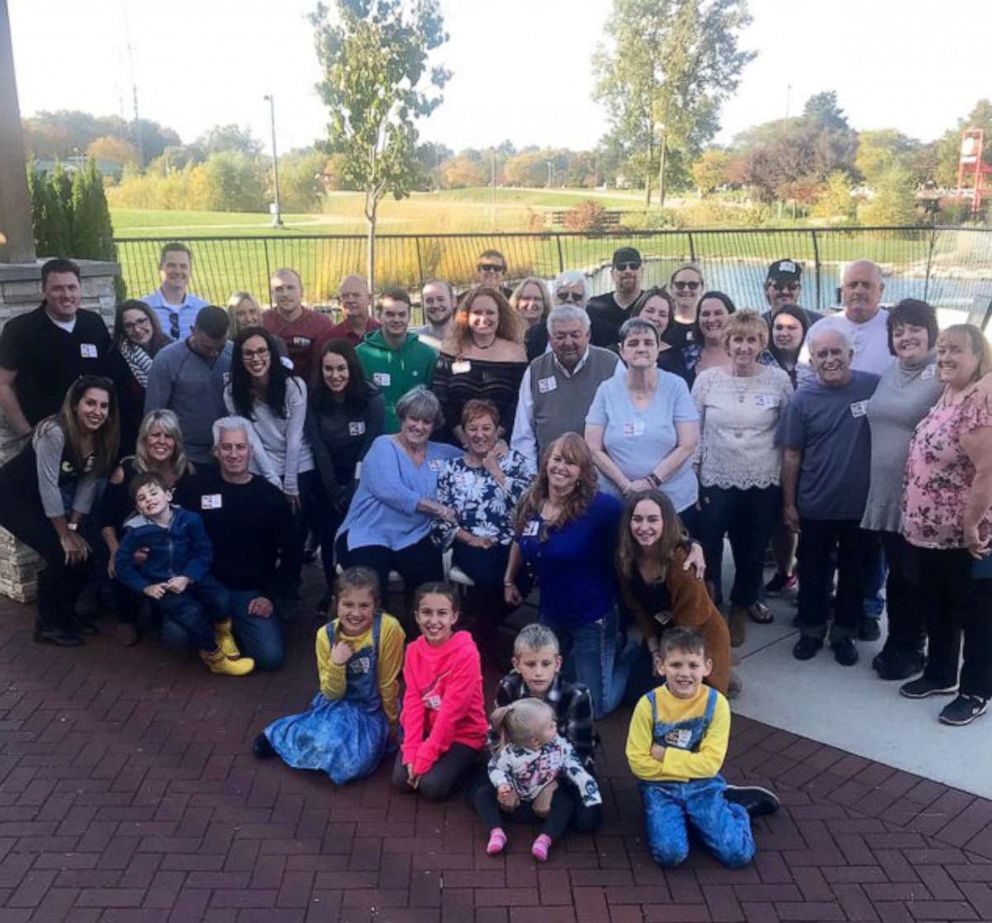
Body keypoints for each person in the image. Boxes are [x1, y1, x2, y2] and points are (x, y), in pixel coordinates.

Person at [504, 433, 636, 719]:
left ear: (582, 473)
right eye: (557, 459)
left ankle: (627, 656)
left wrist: (690, 545)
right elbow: (519, 537)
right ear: (546, 462)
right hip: (551, 613)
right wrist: (509, 579)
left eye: (571, 463)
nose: (561, 467)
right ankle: (592, 660)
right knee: (544, 691)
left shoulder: (601, 508)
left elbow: (644, 523)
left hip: (592, 617)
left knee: (594, 709)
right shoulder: (533, 499)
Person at [900, 325, 992, 726]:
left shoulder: (979, 401)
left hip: (965, 537)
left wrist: (972, 523)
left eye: (956, 350)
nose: (946, 357)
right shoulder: (951, 392)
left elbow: (988, 469)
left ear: (978, 356)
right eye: (942, 350)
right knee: (937, 606)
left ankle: (976, 691)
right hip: (930, 533)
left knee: (976, 615)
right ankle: (940, 673)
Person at [625, 628, 769, 870]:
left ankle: (736, 809)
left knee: (738, 855)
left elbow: (711, 764)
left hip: (702, 785)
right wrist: (691, 764)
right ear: (661, 666)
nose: (685, 673)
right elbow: (638, 764)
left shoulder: (717, 705)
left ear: (707, 667)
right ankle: (696, 817)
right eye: (676, 665)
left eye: (693, 665)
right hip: (660, 788)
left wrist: (663, 754)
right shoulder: (648, 705)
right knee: (670, 855)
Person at [776, 325, 878, 666]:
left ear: (850, 354)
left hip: (860, 506)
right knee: (813, 570)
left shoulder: (873, 387)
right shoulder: (802, 399)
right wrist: (789, 503)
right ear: (813, 360)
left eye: (837, 352)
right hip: (815, 503)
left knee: (854, 573)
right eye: (822, 354)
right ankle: (811, 629)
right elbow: (791, 455)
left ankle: (844, 633)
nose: (830, 359)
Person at [692, 310, 793, 644]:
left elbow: (788, 433)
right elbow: (695, 430)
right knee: (708, 547)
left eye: (752, 340)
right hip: (716, 477)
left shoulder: (778, 381)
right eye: (738, 339)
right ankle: (709, 605)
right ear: (727, 342)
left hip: (762, 479)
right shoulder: (707, 380)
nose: (744, 347)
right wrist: (695, 473)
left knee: (750, 550)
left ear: (762, 343)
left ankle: (740, 606)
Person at [253, 566, 405, 781]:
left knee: (353, 766)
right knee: (326, 741)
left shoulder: (389, 629)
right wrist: (336, 663)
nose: (356, 613)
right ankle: (278, 734)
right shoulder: (326, 635)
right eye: (348, 605)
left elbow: (388, 682)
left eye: (364, 605)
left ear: (376, 605)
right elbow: (331, 692)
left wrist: (391, 727)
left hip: (373, 708)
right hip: (339, 704)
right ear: (337, 602)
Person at [0, 376, 119, 646]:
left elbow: (87, 483)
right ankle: (48, 625)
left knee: (83, 554)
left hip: (39, 500)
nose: (97, 412)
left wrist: (75, 527)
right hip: (12, 497)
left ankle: (66, 614)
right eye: (90, 403)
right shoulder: (53, 432)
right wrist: (65, 535)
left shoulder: (101, 437)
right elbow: (49, 487)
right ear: (75, 404)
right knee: (59, 551)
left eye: (103, 406)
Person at [173, 417, 294, 671]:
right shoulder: (196, 489)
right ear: (216, 452)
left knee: (270, 658)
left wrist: (271, 596)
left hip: (249, 593)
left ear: (251, 450)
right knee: (175, 638)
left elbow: (292, 552)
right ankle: (220, 630)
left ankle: (231, 631)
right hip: (204, 588)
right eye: (227, 447)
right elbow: (173, 531)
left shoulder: (269, 496)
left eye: (240, 447)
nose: (234, 454)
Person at [862, 300, 942, 681]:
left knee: (916, 577)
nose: (906, 337)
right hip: (884, 494)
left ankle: (914, 648)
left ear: (931, 332)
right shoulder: (892, 370)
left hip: (920, 499)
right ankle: (898, 641)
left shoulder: (942, 373)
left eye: (914, 328)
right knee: (897, 574)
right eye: (898, 331)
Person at [114, 472, 254, 676]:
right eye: (142, 498)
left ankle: (223, 633)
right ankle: (214, 656)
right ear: (138, 508)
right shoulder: (136, 532)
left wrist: (188, 576)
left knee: (220, 596)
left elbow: (203, 552)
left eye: (153, 493)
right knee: (191, 614)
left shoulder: (190, 519)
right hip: (163, 585)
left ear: (169, 496)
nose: (149, 500)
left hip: (191, 574)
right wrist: (146, 587)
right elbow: (122, 565)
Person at [335, 388, 461, 600]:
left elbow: (473, 459)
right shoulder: (383, 445)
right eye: (414, 419)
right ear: (402, 417)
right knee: (369, 585)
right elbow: (392, 491)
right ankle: (376, 632)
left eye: (426, 421)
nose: (419, 427)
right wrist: (438, 509)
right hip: (368, 532)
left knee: (430, 589)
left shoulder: (443, 452)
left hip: (414, 534)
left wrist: (497, 448)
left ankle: (422, 631)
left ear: (434, 425)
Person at [432, 400, 534, 663]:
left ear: (498, 430)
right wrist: (472, 539)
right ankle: (484, 642)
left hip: (512, 542)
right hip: (470, 541)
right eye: (472, 428)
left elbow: (530, 502)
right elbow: (442, 517)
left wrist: (496, 472)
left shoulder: (514, 462)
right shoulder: (451, 469)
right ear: (464, 433)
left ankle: (476, 634)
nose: (479, 434)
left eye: (486, 428)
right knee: (490, 577)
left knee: (524, 577)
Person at [224, 326, 316, 598]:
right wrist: (273, 481)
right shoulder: (232, 392)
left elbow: (295, 437)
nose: (256, 358)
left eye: (262, 351)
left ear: (272, 354)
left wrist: (289, 484)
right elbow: (250, 439)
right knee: (260, 528)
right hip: (261, 464)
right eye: (248, 353)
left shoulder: (293, 385)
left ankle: (289, 588)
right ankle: (263, 589)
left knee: (294, 531)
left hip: (298, 464)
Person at [585, 318, 700, 530]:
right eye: (633, 343)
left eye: (648, 343)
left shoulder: (676, 386)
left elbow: (688, 444)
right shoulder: (606, 390)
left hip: (673, 502)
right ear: (622, 350)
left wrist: (651, 482)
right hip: (618, 500)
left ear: (658, 348)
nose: (641, 348)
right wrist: (626, 486)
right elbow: (593, 447)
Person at [617, 490, 732, 696]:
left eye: (653, 520)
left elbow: (690, 625)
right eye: (637, 519)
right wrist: (654, 651)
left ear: (666, 523)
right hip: (662, 633)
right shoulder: (626, 558)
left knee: (687, 697)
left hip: (697, 636)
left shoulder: (682, 561)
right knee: (635, 694)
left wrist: (667, 660)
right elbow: (639, 611)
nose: (644, 527)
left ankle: (720, 671)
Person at [491, 624, 602, 832]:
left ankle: (546, 806)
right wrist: (507, 783)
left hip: (562, 766)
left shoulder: (577, 696)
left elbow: (581, 751)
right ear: (516, 664)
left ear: (558, 663)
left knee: (588, 822)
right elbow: (495, 739)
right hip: (519, 765)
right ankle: (546, 811)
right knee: (480, 794)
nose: (538, 672)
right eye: (530, 664)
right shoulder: (508, 687)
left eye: (546, 663)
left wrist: (549, 785)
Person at [100, 409, 197, 646]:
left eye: (168, 436)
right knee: (125, 561)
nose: (161, 442)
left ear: (176, 441)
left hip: (172, 548)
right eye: (155, 435)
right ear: (144, 439)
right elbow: (106, 519)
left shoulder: (187, 472)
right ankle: (127, 618)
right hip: (132, 544)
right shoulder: (127, 470)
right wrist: (116, 551)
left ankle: (160, 609)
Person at [392, 583, 488, 801]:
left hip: (462, 733)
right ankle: (428, 761)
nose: (433, 621)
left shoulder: (466, 654)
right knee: (400, 780)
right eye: (426, 612)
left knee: (431, 787)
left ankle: (473, 761)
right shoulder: (413, 651)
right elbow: (413, 704)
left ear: (454, 617)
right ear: (416, 615)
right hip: (430, 727)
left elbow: (452, 713)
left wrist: (424, 759)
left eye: (442, 613)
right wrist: (412, 752)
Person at [474, 697, 600, 862]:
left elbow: (572, 764)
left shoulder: (559, 747)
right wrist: (503, 785)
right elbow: (495, 768)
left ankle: (544, 839)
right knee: (482, 794)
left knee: (565, 804)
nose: (556, 726)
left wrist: (586, 784)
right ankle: (496, 832)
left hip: (543, 794)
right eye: (551, 726)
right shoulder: (510, 753)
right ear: (534, 740)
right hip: (516, 794)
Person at [0, 258, 111, 443]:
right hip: (45, 437)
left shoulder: (93, 323)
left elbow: (107, 377)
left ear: (80, 289)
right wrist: (27, 435)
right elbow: (3, 385)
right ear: (44, 290)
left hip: (92, 436)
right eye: (57, 288)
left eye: (72, 287)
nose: (66, 295)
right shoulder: (20, 330)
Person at [307, 339, 385, 598]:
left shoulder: (371, 397)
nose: (335, 375)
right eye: (328, 369)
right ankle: (332, 592)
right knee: (329, 534)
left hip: (363, 475)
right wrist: (332, 490)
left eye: (341, 368)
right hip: (327, 476)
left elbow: (370, 445)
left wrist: (353, 487)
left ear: (351, 369)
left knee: (359, 536)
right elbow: (318, 446)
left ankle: (363, 593)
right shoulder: (314, 398)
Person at [511, 305, 619, 466]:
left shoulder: (612, 364)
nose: (568, 343)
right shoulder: (536, 369)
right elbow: (524, 432)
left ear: (588, 335)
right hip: (551, 473)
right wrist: (529, 476)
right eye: (560, 336)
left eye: (575, 335)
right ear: (549, 338)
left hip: (600, 471)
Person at [433, 286, 528, 446]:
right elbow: (441, 398)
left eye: (490, 312)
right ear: (466, 316)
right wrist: (465, 438)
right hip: (455, 442)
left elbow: (518, 401)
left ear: (500, 316)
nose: (483, 318)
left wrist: (492, 438)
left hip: (500, 444)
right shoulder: (450, 350)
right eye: (477, 312)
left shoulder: (516, 353)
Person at [144, 304, 232, 465]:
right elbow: (154, 415)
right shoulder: (167, 360)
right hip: (184, 455)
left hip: (228, 453)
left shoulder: (233, 354)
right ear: (193, 331)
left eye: (220, 347)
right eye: (208, 347)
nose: (214, 353)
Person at [762, 304, 811, 596]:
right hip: (773, 455)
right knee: (780, 521)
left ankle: (811, 580)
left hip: (810, 455)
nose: (783, 333)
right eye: (778, 327)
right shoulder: (764, 364)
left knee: (809, 524)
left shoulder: (814, 365)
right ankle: (784, 571)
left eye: (791, 328)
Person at [356, 288, 437, 432]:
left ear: (409, 316)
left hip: (417, 440)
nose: (396, 320)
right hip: (375, 440)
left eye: (402, 314)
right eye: (390, 314)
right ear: (379, 316)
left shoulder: (427, 355)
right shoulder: (361, 354)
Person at [801, 259, 890, 379]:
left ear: (881, 289)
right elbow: (804, 373)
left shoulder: (895, 330)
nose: (858, 291)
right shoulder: (820, 329)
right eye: (852, 285)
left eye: (866, 285)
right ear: (843, 290)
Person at [105, 300, 172, 457]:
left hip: (169, 434)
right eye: (129, 325)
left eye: (141, 321)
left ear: (151, 320)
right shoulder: (116, 358)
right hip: (132, 438)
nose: (137, 329)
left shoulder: (170, 351)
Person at [261, 268, 333, 386]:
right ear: (272, 294)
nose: (285, 294)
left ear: (302, 292)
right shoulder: (262, 322)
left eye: (290, 288)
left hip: (313, 390)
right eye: (279, 289)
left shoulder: (322, 324)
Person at [141, 242, 209, 340]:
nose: (177, 271)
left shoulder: (203, 309)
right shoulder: (144, 308)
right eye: (172, 265)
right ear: (160, 267)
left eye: (183, 266)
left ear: (190, 270)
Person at [586, 247, 645, 349]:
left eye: (633, 266)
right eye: (621, 267)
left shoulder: (652, 305)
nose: (628, 271)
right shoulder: (593, 307)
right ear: (612, 273)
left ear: (642, 271)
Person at [524, 269, 590, 360]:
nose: (569, 300)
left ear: (585, 301)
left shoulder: (601, 332)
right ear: (554, 298)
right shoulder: (535, 334)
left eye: (576, 297)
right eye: (563, 295)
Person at [631, 287, 691, 381]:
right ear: (638, 313)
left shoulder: (676, 357)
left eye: (662, 314)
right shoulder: (616, 352)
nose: (655, 318)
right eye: (650, 311)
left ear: (668, 322)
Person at [683, 291, 735, 383]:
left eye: (718, 313)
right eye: (705, 314)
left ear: (731, 316)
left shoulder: (752, 352)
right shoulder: (685, 356)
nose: (711, 320)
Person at [760, 259, 823, 325]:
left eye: (791, 286)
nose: (785, 291)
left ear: (798, 290)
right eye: (778, 286)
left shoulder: (817, 324)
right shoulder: (757, 326)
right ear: (766, 288)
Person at [328, 274, 381, 347]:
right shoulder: (330, 338)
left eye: (356, 295)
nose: (350, 300)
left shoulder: (383, 334)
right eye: (345, 296)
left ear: (369, 299)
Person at [665, 264, 705, 350]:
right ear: (671, 288)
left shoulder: (708, 324)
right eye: (680, 284)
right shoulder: (662, 322)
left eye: (693, 285)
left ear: (702, 288)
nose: (686, 290)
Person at [411, 279, 455, 347]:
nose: (435, 305)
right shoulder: (414, 341)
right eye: (429, 301)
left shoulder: (470, 338)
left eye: (440, 299)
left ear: (453, 301)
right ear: (422, 305)